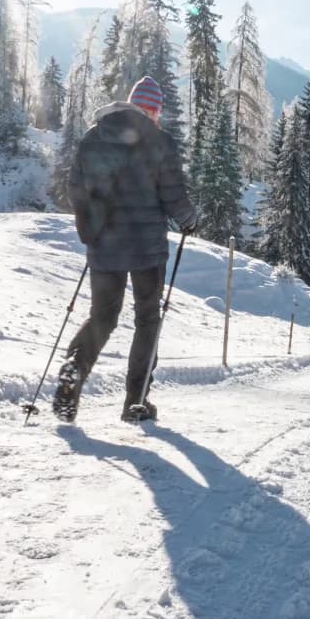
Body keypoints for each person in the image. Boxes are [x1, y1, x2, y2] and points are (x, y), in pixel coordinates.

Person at [53, 75, 197, 423]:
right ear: (154, 112)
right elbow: (172, 192)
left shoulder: (94, 136)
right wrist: (188, 218)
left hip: (106, 245)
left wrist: (91, 224)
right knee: (147, 319)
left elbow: (74, 189)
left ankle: (75, 367)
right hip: (147, 249)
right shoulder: (161, 142)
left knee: (103, 316)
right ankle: (136, 401)